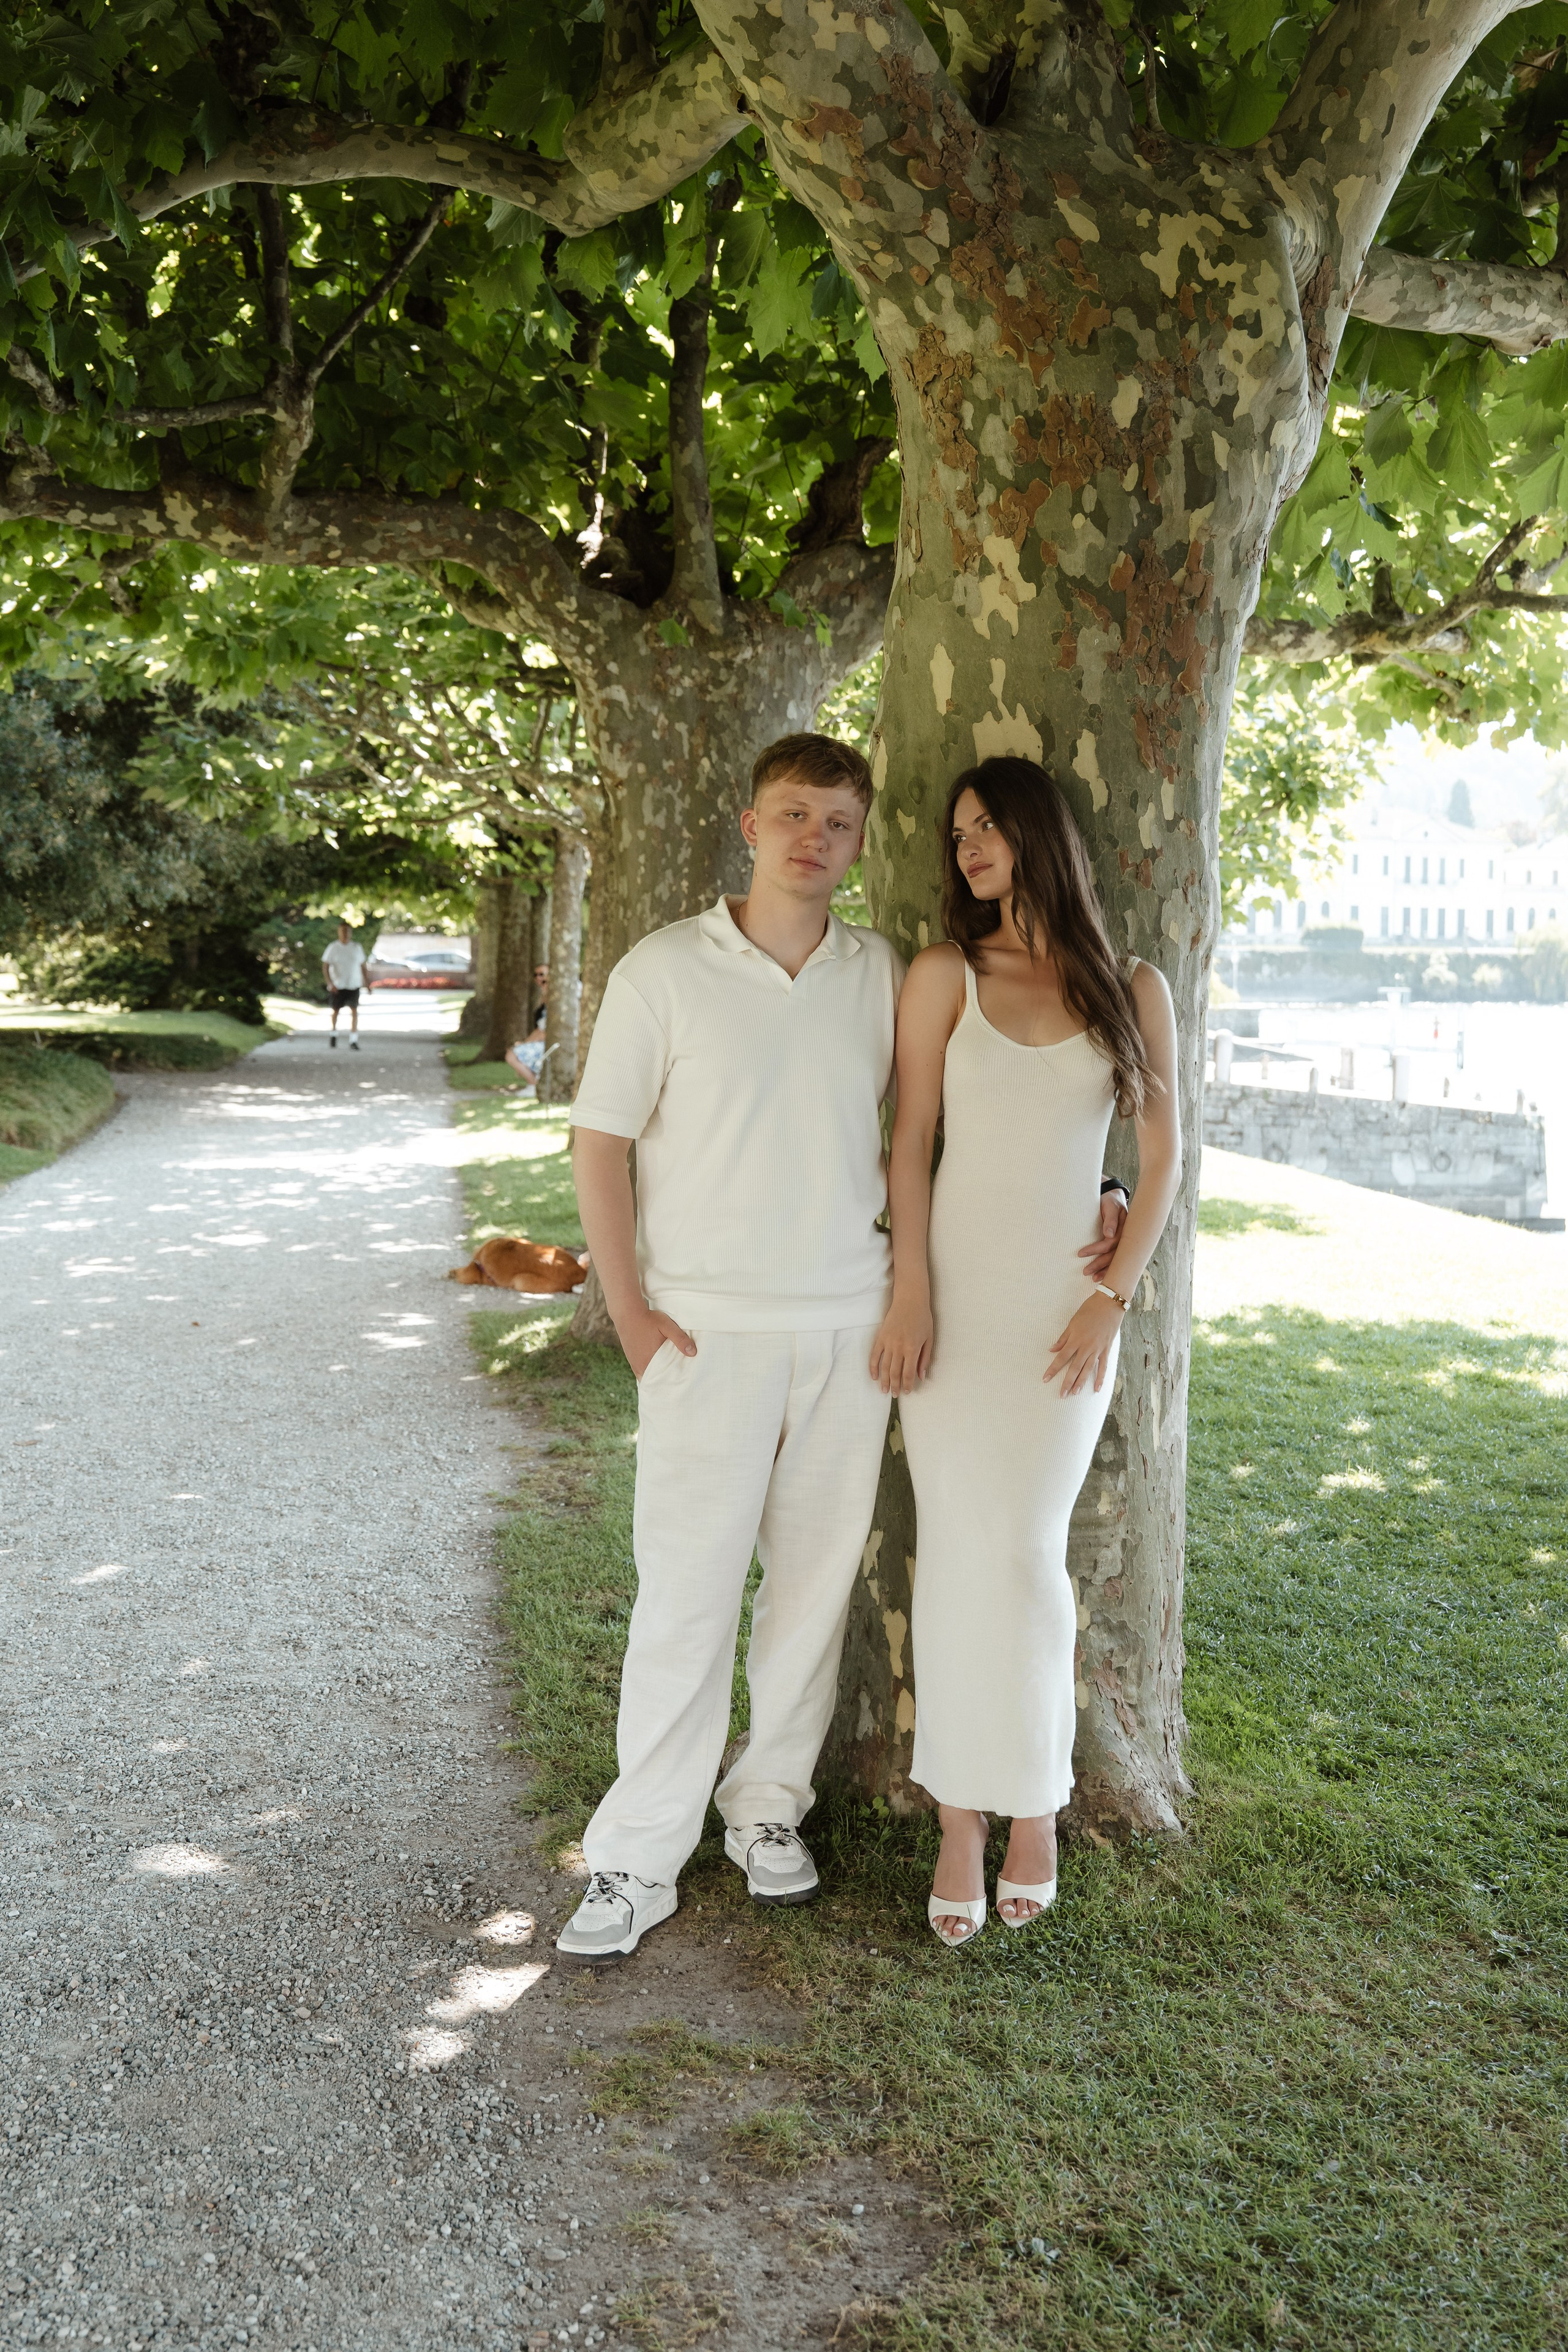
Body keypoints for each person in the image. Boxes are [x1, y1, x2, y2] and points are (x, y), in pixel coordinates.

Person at [560, 736, 1128, 1965]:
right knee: (687, 1596)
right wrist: (636, 1317)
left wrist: (1112, 1192)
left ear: (860, 840)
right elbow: (597, 1146)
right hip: (704, 1333)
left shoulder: (881, 972)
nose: (810, 839)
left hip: (847, 1326)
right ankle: (633, 1856)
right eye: (789, 816)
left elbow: (994, 1104)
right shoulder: (661, 970)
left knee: (813, 1598)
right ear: (748, 823)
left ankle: (767, 1812)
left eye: (835, 821)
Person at [870, 756, 1181, 1949]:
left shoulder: (1131, 988)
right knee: (954, 1557)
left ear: (1040, 835)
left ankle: (1036, 1804)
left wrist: (1110, 1294)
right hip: (947, 1308)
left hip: (1060, 1321)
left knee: (1026, 1560)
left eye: (989, 826)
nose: (968, 848)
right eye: (957, 834)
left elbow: (1156, 1166)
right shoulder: (944, 973)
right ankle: (958, 1816)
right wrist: (908, 1293)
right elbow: (908, 1148)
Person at [322, 921, 372, 1049]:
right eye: (343, 931)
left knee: (354, 1011)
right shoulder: (333, 948)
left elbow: (363, 966)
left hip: (353, 984)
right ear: (339, 932)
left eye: (348, 931)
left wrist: (367, 983)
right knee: (336, 1010)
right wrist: (330, 983)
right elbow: (326, 966)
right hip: (338, 985)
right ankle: (333, 1034)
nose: (346, 933)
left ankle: (353, 1040)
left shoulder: (356, 947)